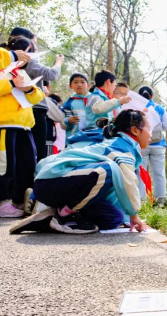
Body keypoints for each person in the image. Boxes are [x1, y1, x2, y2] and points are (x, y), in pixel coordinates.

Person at [10, 110, 151, 235]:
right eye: (149, 129)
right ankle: (64, 217)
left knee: (113, 218)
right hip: (50, 183)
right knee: (107, 170)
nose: (151, 134)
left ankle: (50, 219)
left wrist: (127, 218)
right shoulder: (120, 147)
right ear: (135, 130)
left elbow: (118, 188)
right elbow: (128, 182)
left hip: (69, 185)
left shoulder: (124, 147)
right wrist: (134, 214)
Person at [4, 27, 65, 162]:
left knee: (15, 155)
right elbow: (51, 74)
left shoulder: (6, 58)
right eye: (34, 43)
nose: (35, 48)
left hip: (17, 112)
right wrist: (58, 63)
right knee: (35, 153)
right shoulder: (27, 59)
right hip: (34, 110)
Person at [0, 38, 45, 218]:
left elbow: (38, 96)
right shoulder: (4, 68)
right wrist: (11, 83)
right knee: (6, 165)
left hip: (25, 126)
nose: (26, 57)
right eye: (24, 52)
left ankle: (18, 200)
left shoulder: (20, 72)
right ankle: (3, 202)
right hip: (5, 124)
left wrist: (27, 89)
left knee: (26, 165)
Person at [137, 85, 167, 205]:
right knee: (159, 172)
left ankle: (141, 199)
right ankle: (160, 200)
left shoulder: (136, 108)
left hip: (141, 145)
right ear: (152, 95)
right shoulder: (159, 108)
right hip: (158, 144)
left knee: (141, 172)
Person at [62, 72, 90, 139]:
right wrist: (68, 120)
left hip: (93, 137)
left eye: (82, 82)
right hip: (74, 139)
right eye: (76, 82)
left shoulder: (95, 99)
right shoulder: (68, 103)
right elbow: (63, 124)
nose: (79, 85)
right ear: (70, 86)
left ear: (88, 85)